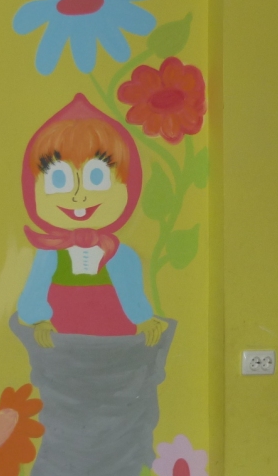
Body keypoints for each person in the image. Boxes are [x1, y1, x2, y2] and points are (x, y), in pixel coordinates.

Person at [17, 93, 167, 348]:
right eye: (59, 180)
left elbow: (134, 298)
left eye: (96, 178)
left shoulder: (122, 255)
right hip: (64, 347)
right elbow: (33, 295)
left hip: (116, 346)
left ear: (127, 185)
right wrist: (40, 321)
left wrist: (145, 321)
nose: (79, 195)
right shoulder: (49, 255)